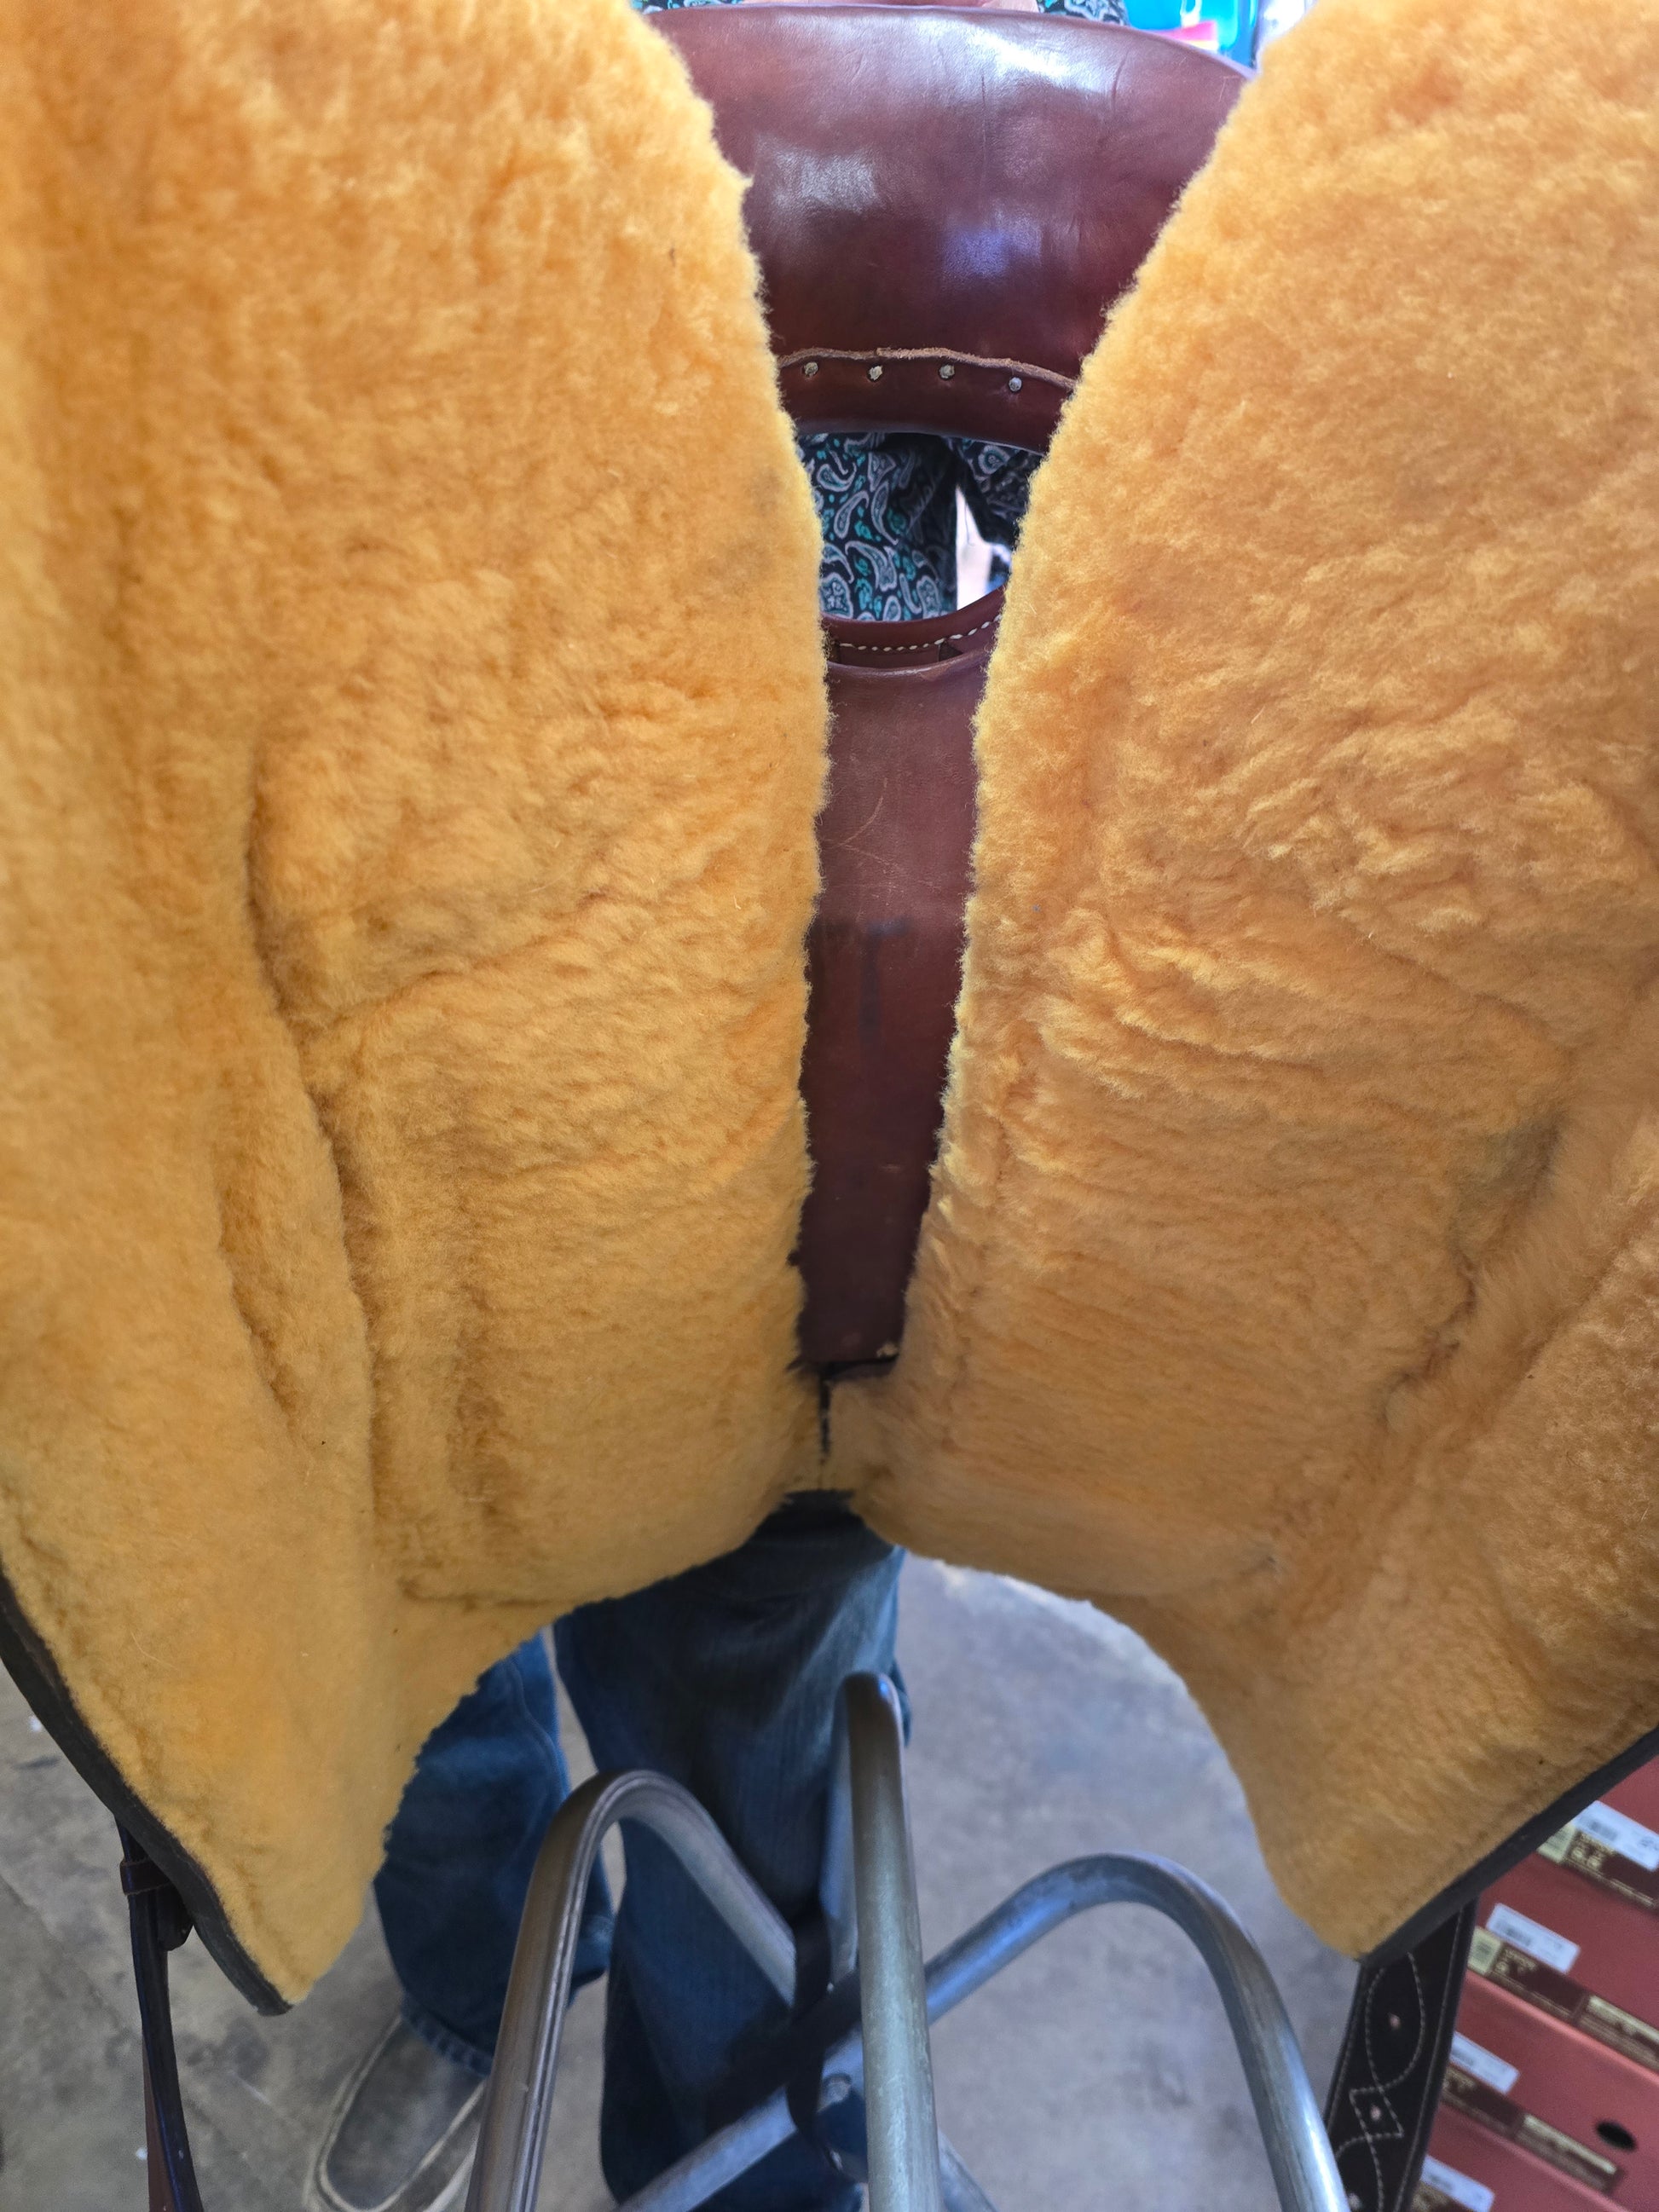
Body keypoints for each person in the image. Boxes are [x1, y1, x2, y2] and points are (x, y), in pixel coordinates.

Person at [304, 1, 1129, 2202]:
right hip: (409, 1046)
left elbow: (1133, 494)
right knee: (418, 1622)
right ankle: (515, 1985)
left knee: (713, 1686)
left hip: (739, 1097)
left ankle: (738, 2129)